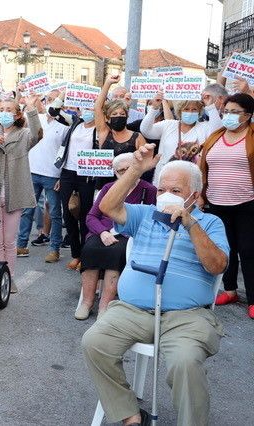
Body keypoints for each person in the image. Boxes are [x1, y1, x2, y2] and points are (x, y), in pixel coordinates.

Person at [82, 144, 228, 426]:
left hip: (186, 316)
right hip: (133, 309)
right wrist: (136, 169)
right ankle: (130, 415)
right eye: (161, 190)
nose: (165, 197)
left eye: (176, 191)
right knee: (94, 342)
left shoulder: (210, 223)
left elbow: (218, 266)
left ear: (194, 197)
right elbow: (108, 206)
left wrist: (190, 224)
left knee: (185, 363)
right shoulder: (144, 214)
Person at [75, 153, 157, 320]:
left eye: (129, 169)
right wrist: (103, 232)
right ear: (115, 173)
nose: (125, 173)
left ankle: (105, 304)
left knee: (116, 253)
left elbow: (151, 218)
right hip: (103, 232)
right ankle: (87, 302)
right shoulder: (108, 188)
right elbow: (91, 217)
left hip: (129, 234)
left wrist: (128, 231)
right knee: (90, 249)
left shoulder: (148, 190)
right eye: (121, 171)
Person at [0, 95, 42, 291]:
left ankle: (10, 277)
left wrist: (32, 109)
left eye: (9, 110)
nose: (4, 113)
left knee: (10, 240)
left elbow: (38, 135)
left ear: (16, 115)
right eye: (1, 109)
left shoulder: (23, 134)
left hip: (16, 193)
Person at [200, 93, 254, 319]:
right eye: (226, 111)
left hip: (247, 204)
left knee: (249, 251)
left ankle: (253, 298)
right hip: (216, 203)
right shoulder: (215, 137)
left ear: (248, 116)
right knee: (225, 250)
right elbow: (205, 168)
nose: (228, 116)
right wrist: (202, 195)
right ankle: (230, 290)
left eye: (235, 112)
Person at [16, 90, 69, 263]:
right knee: (26, 211)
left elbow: (66, 152)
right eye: (49, 100)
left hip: (52, 175)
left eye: (55, 100)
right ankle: (21, 245)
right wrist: (30, 101)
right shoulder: (37, 119)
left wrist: (61, 176)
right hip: (32, 172)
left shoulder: (64, 125)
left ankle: (54, 249)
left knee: (54, 213)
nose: (51, 103)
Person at [140, 89, 222, 184]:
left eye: (194, 109)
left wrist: (210, 106)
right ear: (180, 110)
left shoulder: (204, 127)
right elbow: (146, 130)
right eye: (186, 109)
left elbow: (217, 131)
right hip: (164, 180)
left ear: (199, 111)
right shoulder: (168, 125)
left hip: (191, 182)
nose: (190, 112)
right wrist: (154, 108)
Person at [55, 107, 97, 270]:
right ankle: (76, 254)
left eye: (91, 108)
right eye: (84, 108)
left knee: (85, 216)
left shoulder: (100, 128)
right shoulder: (75, 123)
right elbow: (54, 110)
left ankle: (86, 256)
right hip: (68, 173)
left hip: (87, 174)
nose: (87, 112)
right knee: (68, 213)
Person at [94, 75, 146, 188]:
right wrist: (108, 83)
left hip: (129, 187)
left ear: (127, 117)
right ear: (107, 118)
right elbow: (98, 107)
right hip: (104, 185)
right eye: (114, 114)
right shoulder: (104, 133)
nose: (118, 117)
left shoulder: (137, 137)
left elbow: (146, 163)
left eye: (122, 114)